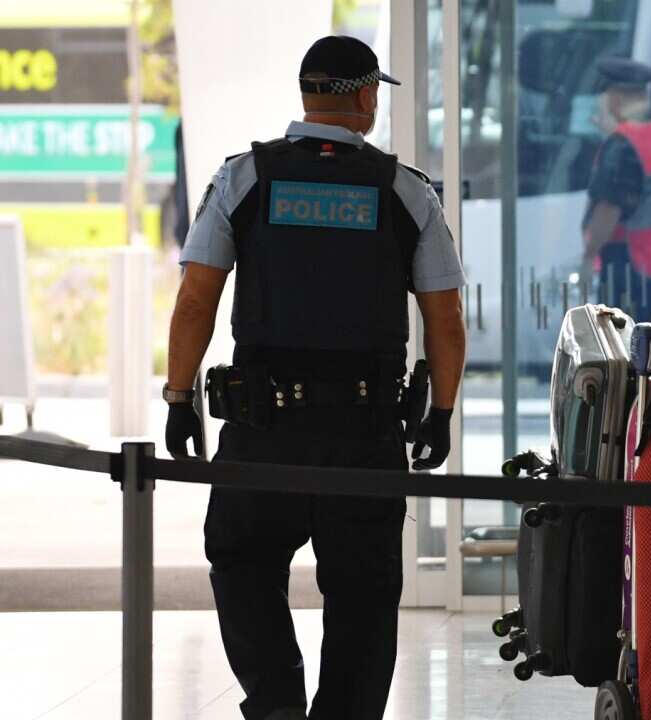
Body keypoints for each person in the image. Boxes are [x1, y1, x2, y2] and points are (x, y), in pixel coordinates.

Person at [162, 35, 466, 720]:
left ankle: (275, 702)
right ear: (363, 97)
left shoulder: (244, 178)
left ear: (307, 94)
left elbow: (194, 300)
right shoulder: (403, 190)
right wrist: (440, 412)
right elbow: (445, 320)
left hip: (260, 431)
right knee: (363, 593)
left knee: (242, 563)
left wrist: (180, 397)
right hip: (363, 434)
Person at [581, 57, 651, 322]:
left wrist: (588, 256)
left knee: (622, 343)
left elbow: (608, 209)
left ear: (615, 99)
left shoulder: (621, 145)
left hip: (625, 264)